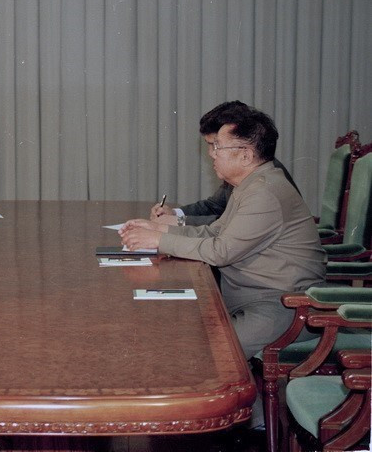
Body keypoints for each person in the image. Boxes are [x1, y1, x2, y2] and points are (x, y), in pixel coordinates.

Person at [120, 107, 326, 361]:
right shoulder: (251, 185)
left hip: (284, 306)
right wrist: (160, 228)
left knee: (206, 356)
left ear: (246, 155)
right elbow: (214, 231)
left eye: (218, 146)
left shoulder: (265, 192)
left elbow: (221, 251)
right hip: (255, 297)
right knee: (182, 337)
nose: (212, 154)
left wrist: (160, 241)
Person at [151, 101, 300, 226]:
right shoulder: (239, 171)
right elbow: (214, 206)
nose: (211, 153)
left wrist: (178, 221)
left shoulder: (265, 181)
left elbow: (228, 226)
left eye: (216, 145)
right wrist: (174, 213)